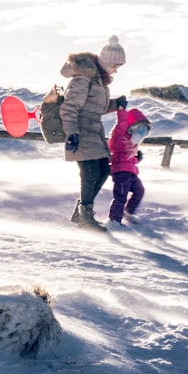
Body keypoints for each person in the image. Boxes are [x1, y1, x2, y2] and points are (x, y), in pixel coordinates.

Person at [59, 35, 128, 230]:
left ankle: (80, 213)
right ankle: (85, 217)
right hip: (80, 132)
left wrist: (116, 104)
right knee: (90, 172)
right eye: (116, 65)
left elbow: (94, 107)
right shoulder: (83, 78)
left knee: (104, 170)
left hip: (93, 132)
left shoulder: (99, 80)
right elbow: (69, 108)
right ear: (108, 61)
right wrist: (72, 133)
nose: (116, 70)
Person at [108, 104, 151, 225]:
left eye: (144, 131)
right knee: (121, 196)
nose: (141, 134)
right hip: (121, 172)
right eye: (140, 130)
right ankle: (114, 220)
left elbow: (128, 159)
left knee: (139, 191)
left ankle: (128, 213)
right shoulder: (121, 136)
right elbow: (121, 123)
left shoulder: (133, 143)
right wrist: (121, 110)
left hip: (130, 172)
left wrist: (137, 159)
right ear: (133, 127)